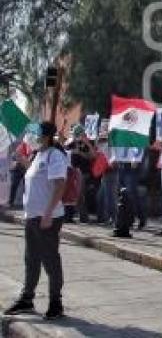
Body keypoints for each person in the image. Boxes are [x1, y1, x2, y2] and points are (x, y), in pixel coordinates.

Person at [4, 122, 67, 320]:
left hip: (47, 218)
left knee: (50, 261)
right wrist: (22, 160)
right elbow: (35, 177)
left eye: (36, 133)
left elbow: (60, 185)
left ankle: (56, 303)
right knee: (31, 259)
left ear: (46, 136)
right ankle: (27, 299)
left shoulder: (55, 155)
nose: (32, 137)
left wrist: (48, 214)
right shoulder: (38, 154)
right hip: (32, 216)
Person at [7, 139, 30, 208]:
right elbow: (13, 158)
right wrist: (17, 160)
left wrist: (25, 160)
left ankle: (26, 202)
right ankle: (10, 202)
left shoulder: (30, 147)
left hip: (25, 169)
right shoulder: (18, 147)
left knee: (26, 186)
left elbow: (30, 157)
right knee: (14, 185)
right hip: (16, 169)